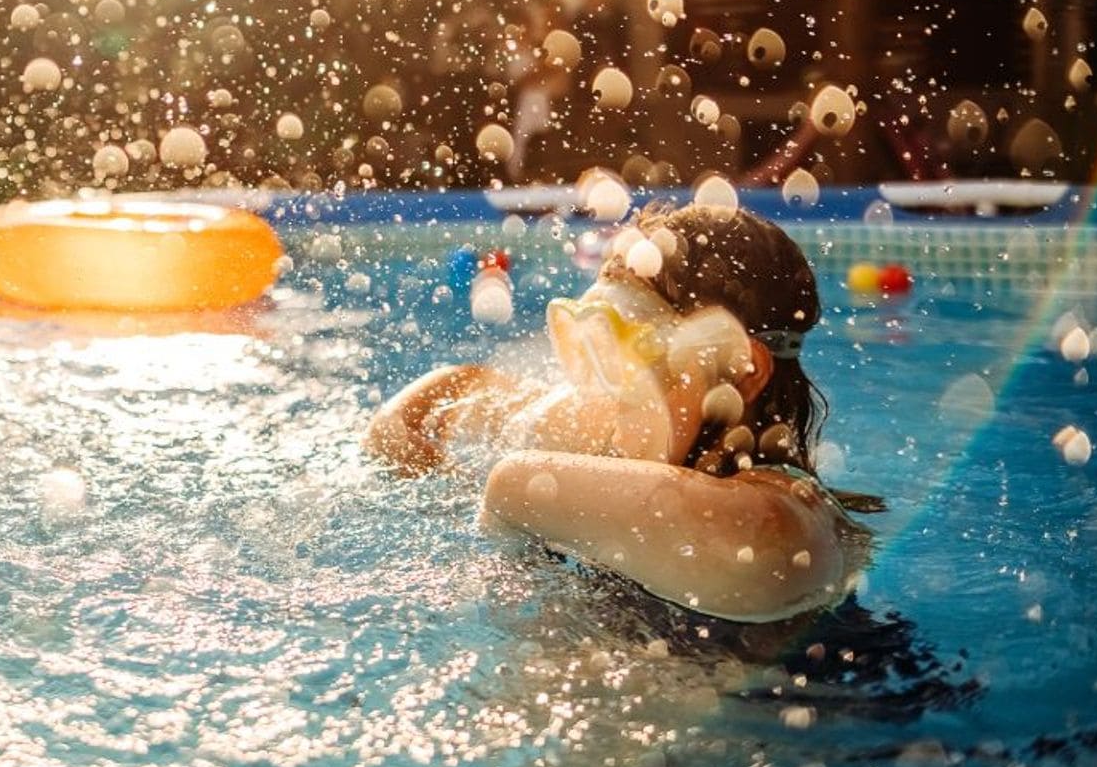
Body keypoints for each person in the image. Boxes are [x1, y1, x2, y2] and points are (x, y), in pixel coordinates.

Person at [365, 202, 860, 623]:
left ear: (742, 370)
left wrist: (496, 492)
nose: (609, 391)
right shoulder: (622, 427)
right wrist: (430, 473)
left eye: (636, 358)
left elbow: (514, 486)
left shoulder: (787, 527)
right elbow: (448, 390)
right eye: (594, 347)